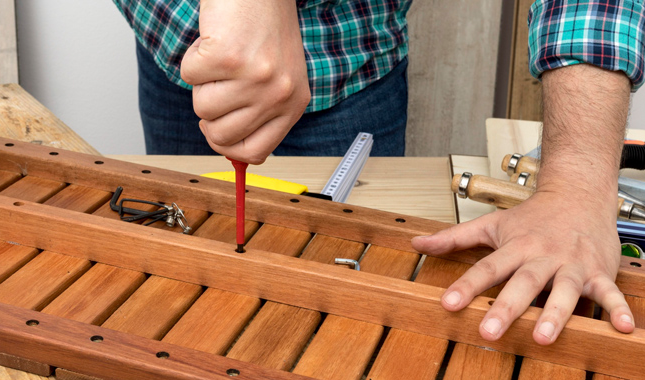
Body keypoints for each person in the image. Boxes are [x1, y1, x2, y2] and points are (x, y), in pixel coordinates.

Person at [114, 0, 645, 345]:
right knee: (179, 299)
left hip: (345, 52)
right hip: (172, 33)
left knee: (334, 339)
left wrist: (576, 181)